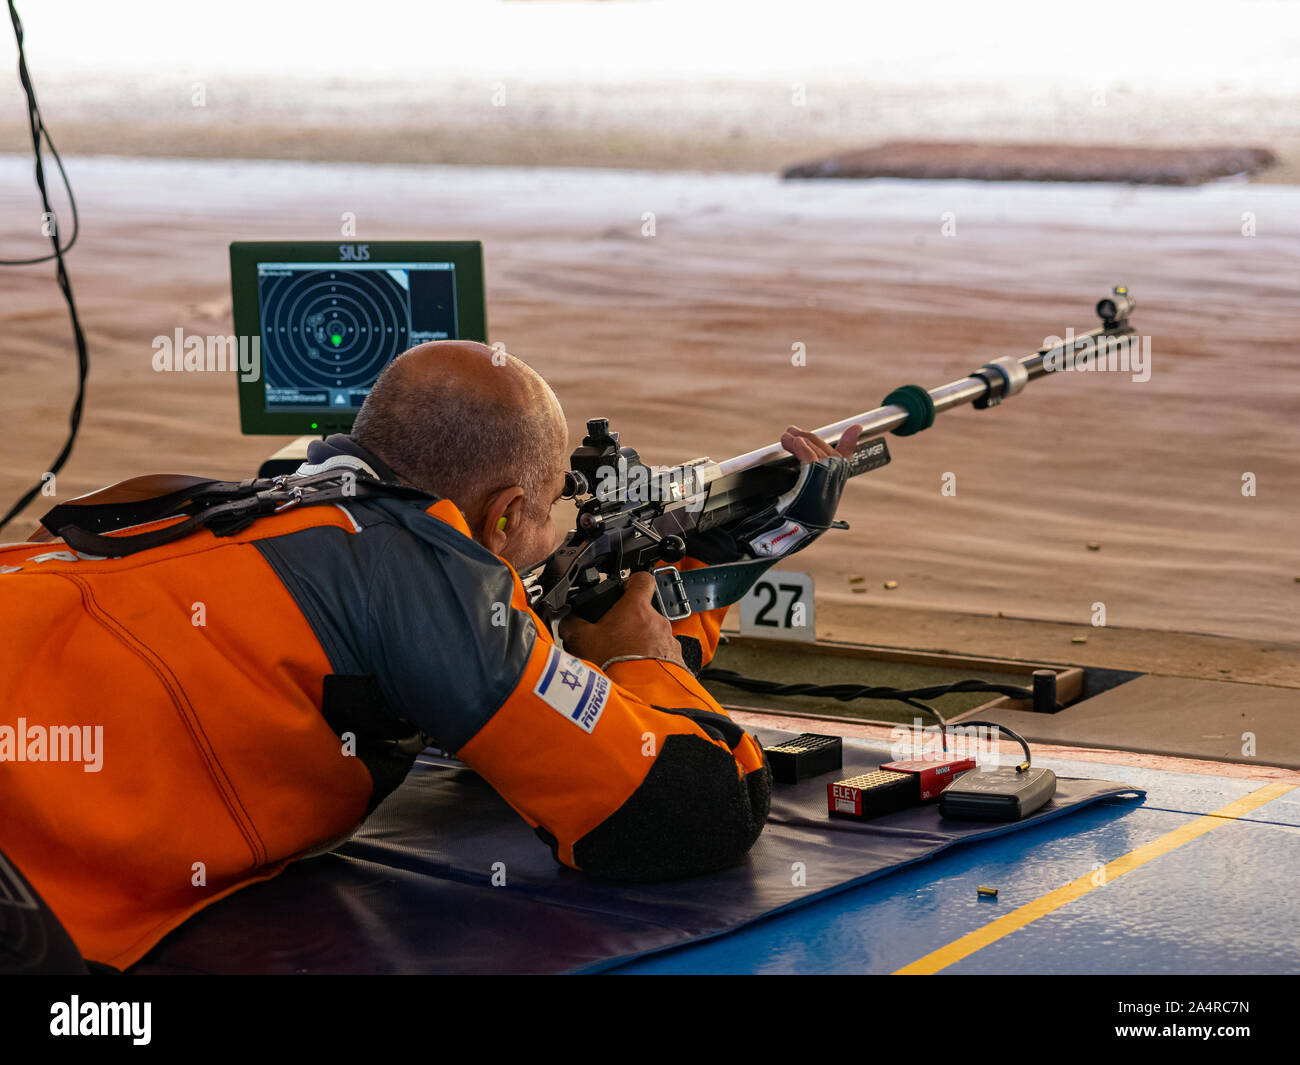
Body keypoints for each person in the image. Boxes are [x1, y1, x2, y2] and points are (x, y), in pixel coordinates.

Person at [0, 340, 860, 971]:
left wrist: (702, 573)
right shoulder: (429, 577)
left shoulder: (234, 501)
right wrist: (645, 657)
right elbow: (686, 809)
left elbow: (514, 718)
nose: (559, 532)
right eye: (556, 506)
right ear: (504, 515)